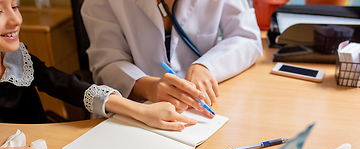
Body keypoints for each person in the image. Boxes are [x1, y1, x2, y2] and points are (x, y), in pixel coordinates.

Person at [0, 0, 201, 149]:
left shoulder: (16, 58)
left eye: (15, 6)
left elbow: (68, 85)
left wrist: (142, 110)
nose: (16, 20)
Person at [81, 0, 263, 116]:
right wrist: (148, 87)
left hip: (199, 109)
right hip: (135, 111)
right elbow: (106, 63)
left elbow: (247, 37)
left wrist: (207, 66)